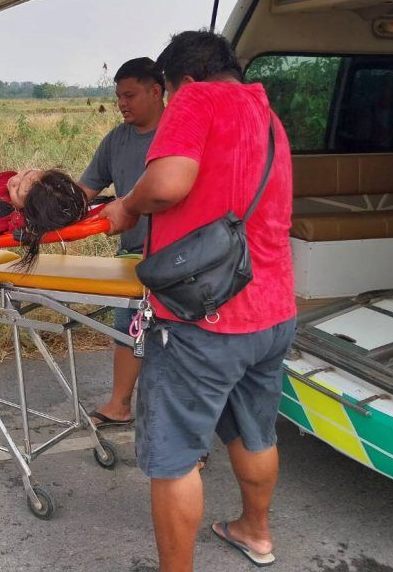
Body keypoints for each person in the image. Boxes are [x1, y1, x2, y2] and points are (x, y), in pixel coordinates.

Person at [101, 30, 295, 572]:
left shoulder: (197, 99)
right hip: (273, 310)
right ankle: (255, 532)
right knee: (255, 431)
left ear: (183, 81)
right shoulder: (269, 117)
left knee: (175, 456)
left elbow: (166, 184)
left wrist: (128, 206)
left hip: (203, 316)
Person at [77, 57, 165, 428]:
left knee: (176, 341)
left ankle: (180, 430)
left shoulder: (178, 134)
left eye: (130, 95)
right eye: (118, 97)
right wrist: (44, 211)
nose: (121, 104)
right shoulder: (117, 139)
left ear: (156, 92)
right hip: (132, 254)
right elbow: (84, 191)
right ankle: (119, 405)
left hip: (177, 255)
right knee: (129, 327)